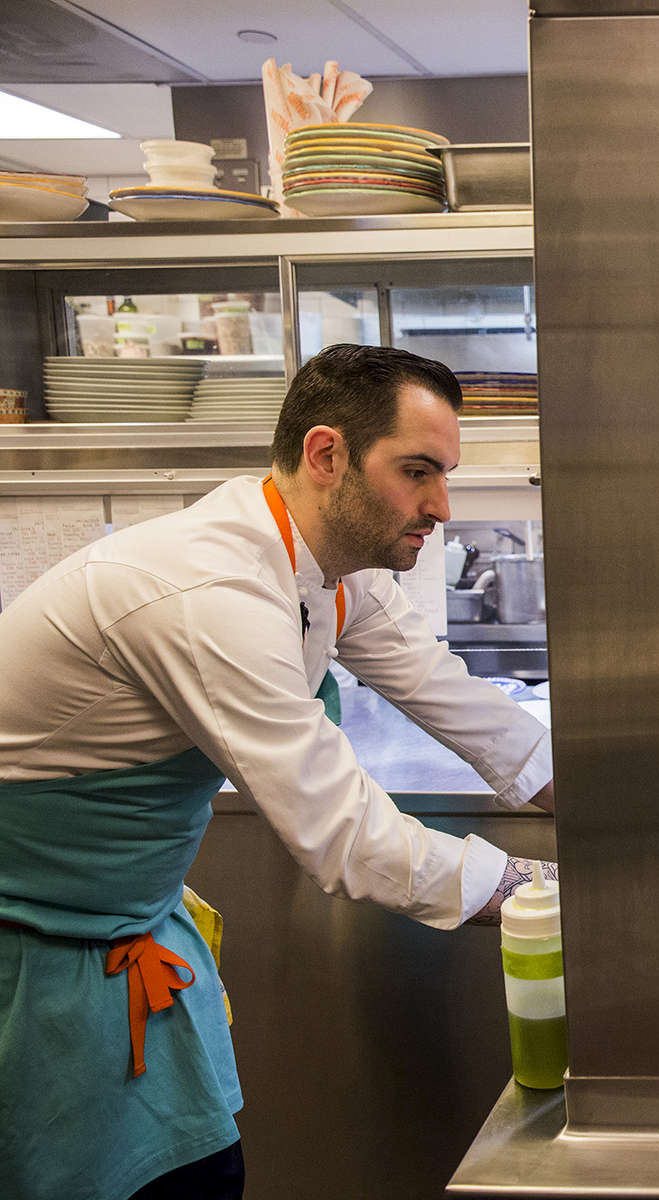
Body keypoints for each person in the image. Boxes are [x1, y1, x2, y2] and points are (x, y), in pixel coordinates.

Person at [0, 344, 557, 1200]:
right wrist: (543, 890)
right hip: (35, 969)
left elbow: (455, 700)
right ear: (326, 454)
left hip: (129, 934)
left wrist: (622, 817)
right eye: (417, 472)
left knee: (198, 1174)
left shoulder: (324, 572)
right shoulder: (207, 589)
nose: (440, 506)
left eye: (443, 474)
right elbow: (347, 838)